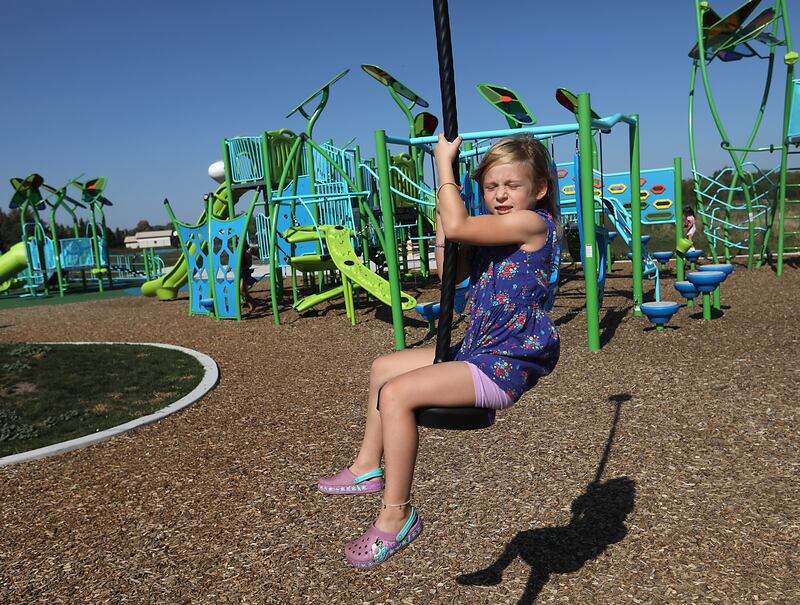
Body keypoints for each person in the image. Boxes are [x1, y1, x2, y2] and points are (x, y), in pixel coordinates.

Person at [318, 133, 561, 569]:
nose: (500, 195)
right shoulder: (493, 236)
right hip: (477, 349)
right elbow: (450, 265)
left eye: (511, 185)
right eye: (491, 187)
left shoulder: (534, 225)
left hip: (503, 363)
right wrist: (443, 225)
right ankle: (366, 467)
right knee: (384, 368)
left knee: (396, 394)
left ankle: (397, 516)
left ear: (539, 188)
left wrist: (442, 166)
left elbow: (461, 225)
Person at [239, 244, 257, 313]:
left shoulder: (246, 254)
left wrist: (242, 268)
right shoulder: (237, 254)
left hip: (245, 273)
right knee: (242, 290)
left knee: (241, 290)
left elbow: (249, 264)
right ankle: (249, 302)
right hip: (240, 273)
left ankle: (252, 303)